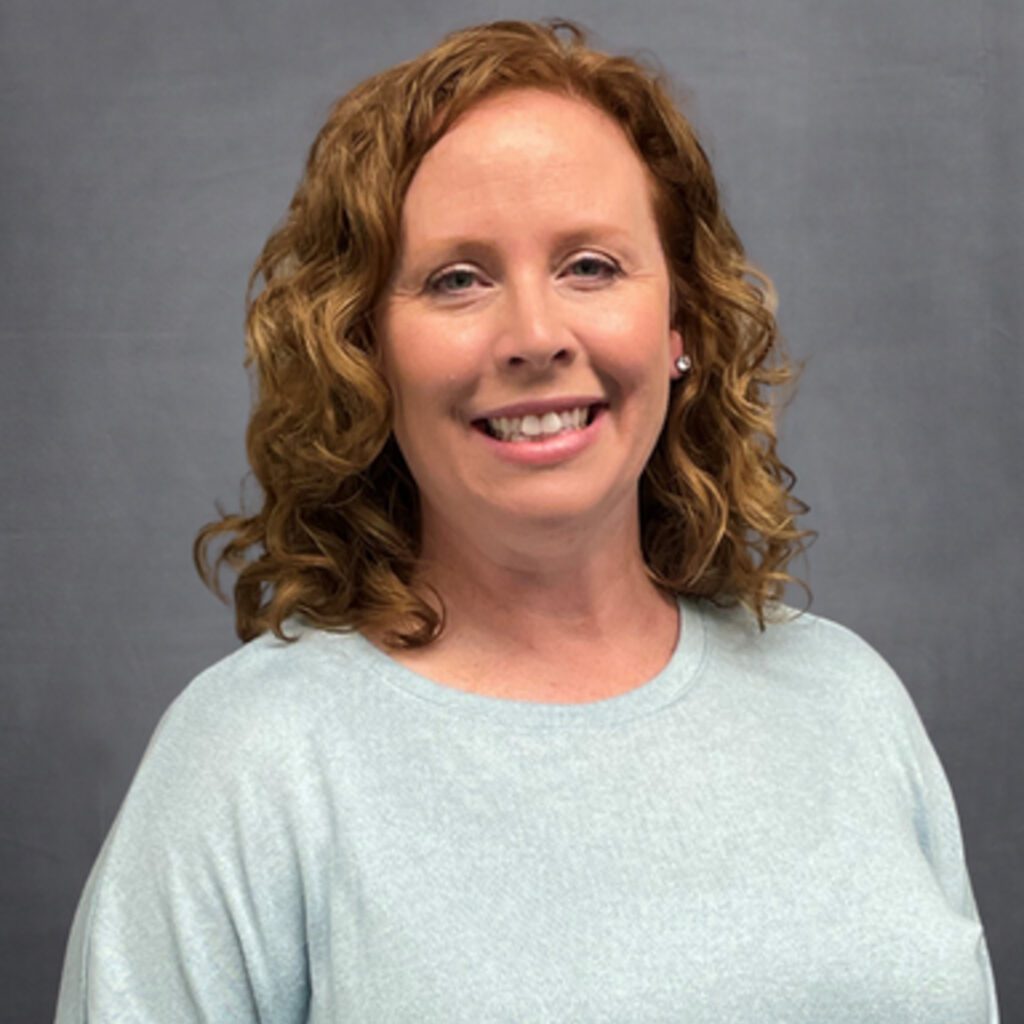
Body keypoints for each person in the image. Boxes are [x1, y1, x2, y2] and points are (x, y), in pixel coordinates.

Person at [55, 19, 998, 1023]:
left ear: (679, 325)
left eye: (590, 265)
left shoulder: (847, 699)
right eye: (457, 278)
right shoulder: (252, 761)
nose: (536, 336)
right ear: (363, 351)